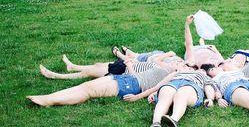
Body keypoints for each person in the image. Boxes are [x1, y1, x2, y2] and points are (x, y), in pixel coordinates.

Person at [27, 65, 177, 107]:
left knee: (88, 92)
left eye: (186, 65)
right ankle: (48, 98)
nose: (179, 62)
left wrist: (137, 97)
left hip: (130, 86)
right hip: (126, 78)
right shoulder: (167, 68)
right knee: (85, 86)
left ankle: (49, 101)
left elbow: (158, 88)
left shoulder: (173, 75)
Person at [149, 68, 225, 127]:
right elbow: (165, 84)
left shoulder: (205, 77)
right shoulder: (180, 73)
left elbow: (208, 87)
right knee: (166, 93)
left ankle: (174, 118)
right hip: (174, 82)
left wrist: (210, 99)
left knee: (182, 93)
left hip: (192, 84)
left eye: (202, 70)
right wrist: (155, 93)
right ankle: (156, 121)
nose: (199, 70)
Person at [39, 51, 183, 80]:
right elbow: (153, 62)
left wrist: (130, 65)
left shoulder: (166, 73)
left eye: (180, 65)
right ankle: (73, 66)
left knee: (89, 73)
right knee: (97, 65)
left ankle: (57, 76)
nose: (178, 62)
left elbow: (138, 77)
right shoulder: (165, 67)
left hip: (124, 70)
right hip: (127, 64)